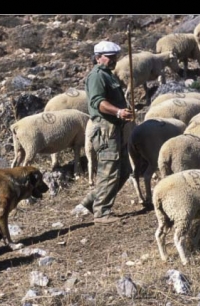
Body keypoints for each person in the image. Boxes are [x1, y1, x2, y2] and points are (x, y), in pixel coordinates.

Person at [72, 40, 134, 224]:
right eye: (110, 57)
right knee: (109, 170)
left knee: (123, 170)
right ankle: (102, 212)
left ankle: (91, 202)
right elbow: (98, 102)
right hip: (106, 128)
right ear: (98, 57)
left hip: (115, 127)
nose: (114, 60)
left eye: (115, 57)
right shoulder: (97, 76)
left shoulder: (109, 75)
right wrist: (118, 111)